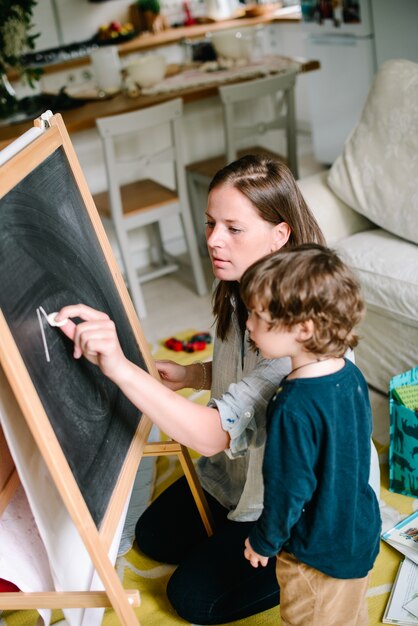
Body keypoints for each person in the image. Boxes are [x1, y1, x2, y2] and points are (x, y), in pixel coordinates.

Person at [56, 155, 378, 625]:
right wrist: (194, 376)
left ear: (279, 235)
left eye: (233, 228)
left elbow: (213, 434)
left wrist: (121, 368)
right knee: (154, 537)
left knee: (191, 598)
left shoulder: (296, 358)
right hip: (237, 472)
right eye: (210, 223)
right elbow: (238, 377)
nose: (213, 240)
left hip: (294, 512)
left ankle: (287, 564)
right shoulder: (244, 294)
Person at [240, 244, 381, 626]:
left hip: (316, 555)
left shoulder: (292, 405)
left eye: (257, 314)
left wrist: (264, 541)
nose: (248, 324)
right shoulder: (349, 374)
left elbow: (289, 489)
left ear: (303, 329)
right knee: (349, 615)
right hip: (359, 530)